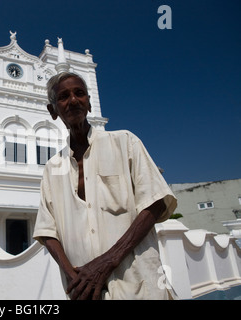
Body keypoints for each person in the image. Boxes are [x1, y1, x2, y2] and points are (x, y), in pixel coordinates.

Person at [33, 72, 177, 300]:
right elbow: (47, 232)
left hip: (138, 288)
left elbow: (156, 202)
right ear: (53, 111)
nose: (73, 100)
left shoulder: (125, 142)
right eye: (63, 96)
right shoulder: (52, 168)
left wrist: (107, 261)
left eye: (79, 93)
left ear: (89, 103)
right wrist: (73, 278)